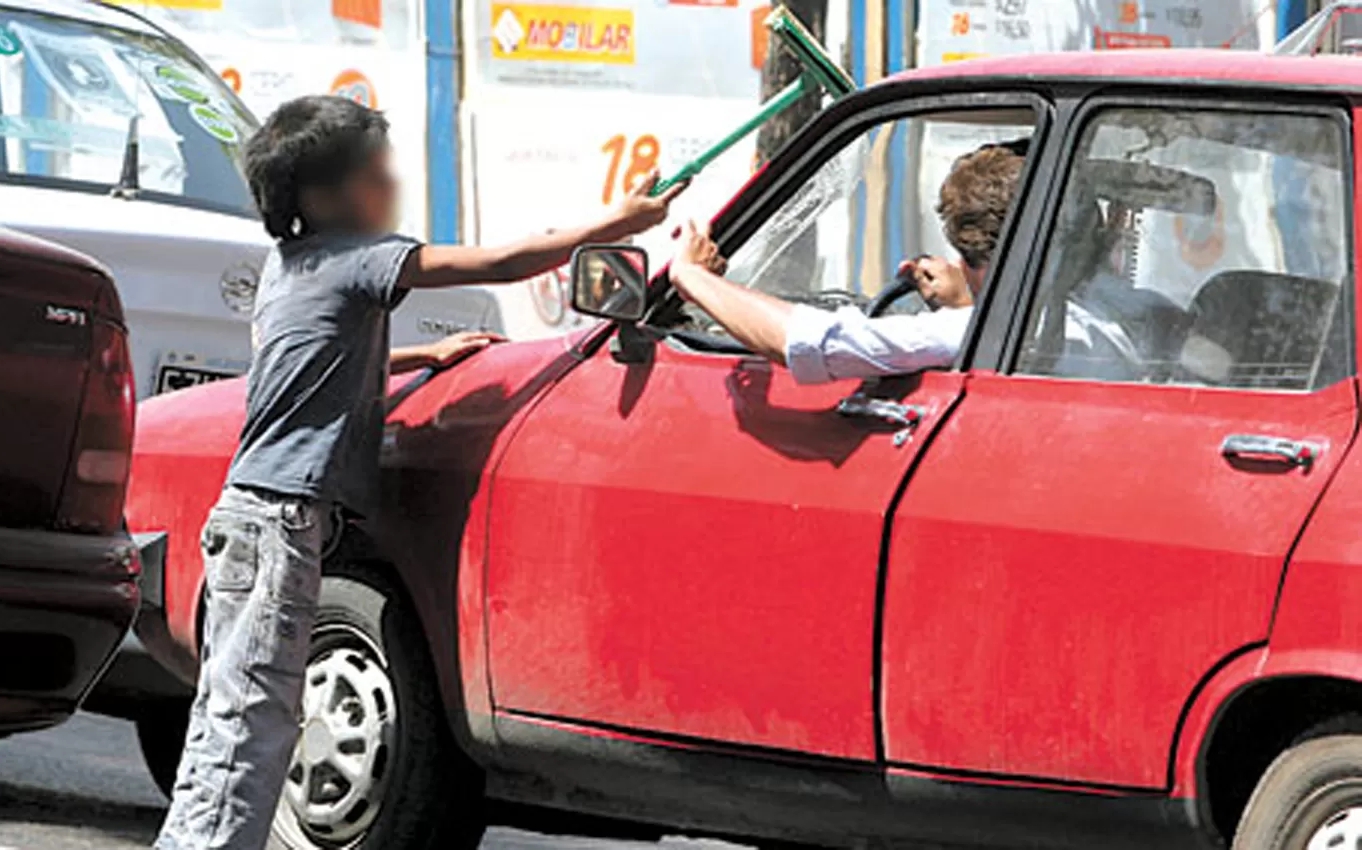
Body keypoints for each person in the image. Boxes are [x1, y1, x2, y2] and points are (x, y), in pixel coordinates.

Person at [153, 95, 691, 850]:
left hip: (251, 521)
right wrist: (614, 226)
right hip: (279, 523)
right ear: (323, 196)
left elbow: (304, 363)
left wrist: (413, 358)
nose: (392, 186)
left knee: (233, 713)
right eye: (377, 173)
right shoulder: (360, 259)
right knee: (254, 722)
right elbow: (500, 262)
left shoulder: (292, 265)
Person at [668, 144, 1024, 384]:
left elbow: (809, 344)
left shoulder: (956, 333)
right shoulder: (1062, 318)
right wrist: (967, 305)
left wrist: (692, 276)